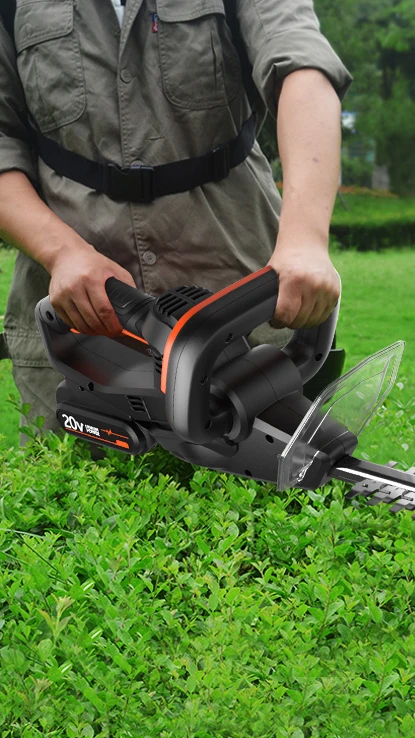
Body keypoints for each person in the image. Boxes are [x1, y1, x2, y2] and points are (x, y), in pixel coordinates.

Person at [0, 0, 351, 442]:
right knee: (74, 501)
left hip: (240, 294)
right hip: (79, 320)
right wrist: (61, 252)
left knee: (274, 494)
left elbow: (303, 68)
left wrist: (305, 240)